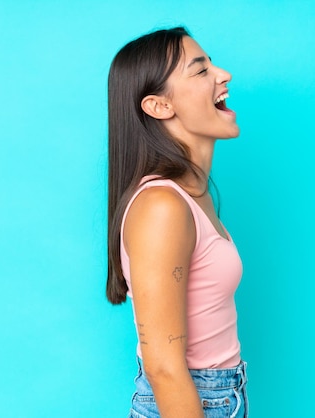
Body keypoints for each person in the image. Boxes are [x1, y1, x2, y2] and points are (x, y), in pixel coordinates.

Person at [106, 26, 248, 417]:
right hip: (190, 400)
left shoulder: (191, 197)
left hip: (218, 393)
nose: (223, 75)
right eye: (201, 71)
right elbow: (164, 369)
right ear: (158, 106)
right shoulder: (162, 208)